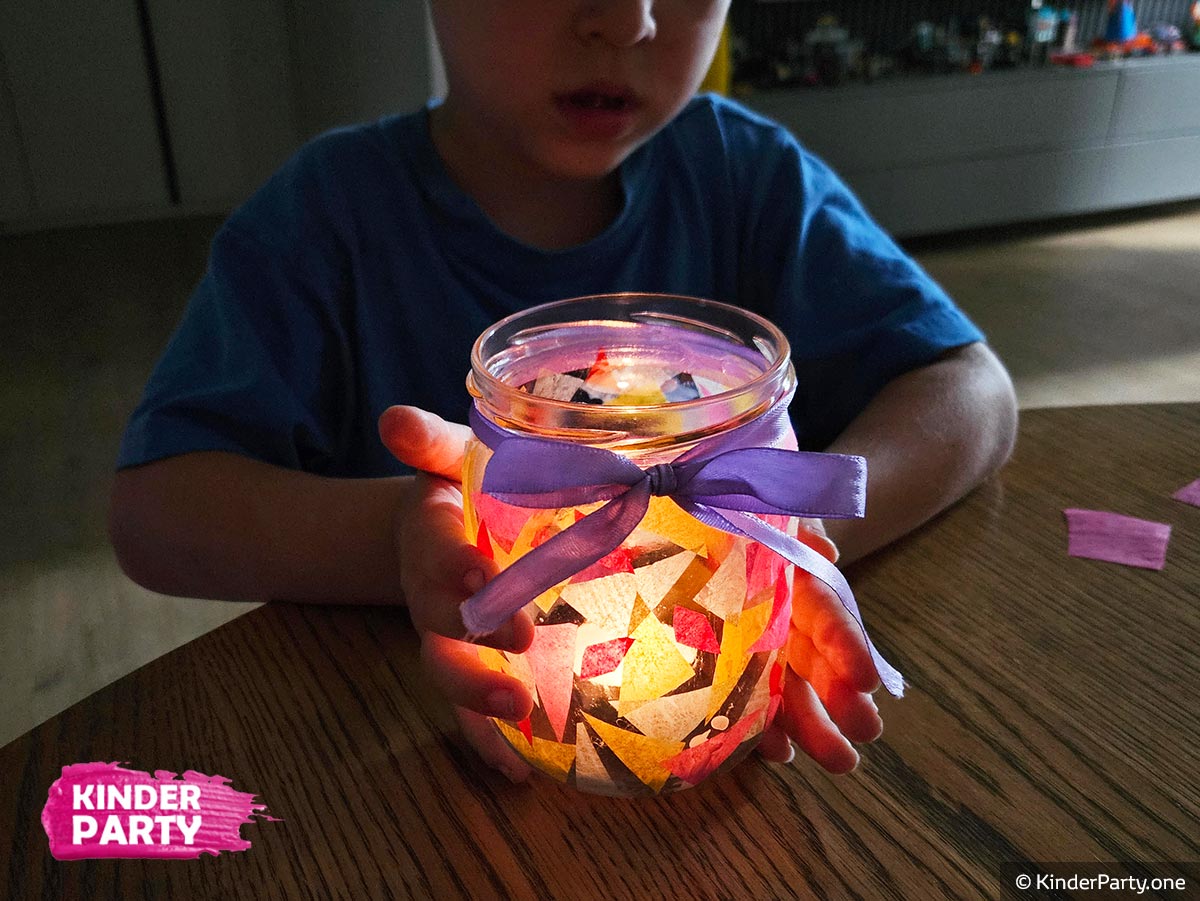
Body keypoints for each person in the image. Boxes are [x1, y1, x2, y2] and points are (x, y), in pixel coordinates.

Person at [109, 1, 1018, 782]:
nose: (629, 19)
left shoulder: (750, 178)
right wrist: (416, 535)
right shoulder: (323, 220)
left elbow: (972, 394)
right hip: (365, 753)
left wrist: (768, 546)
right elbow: (157, 515)